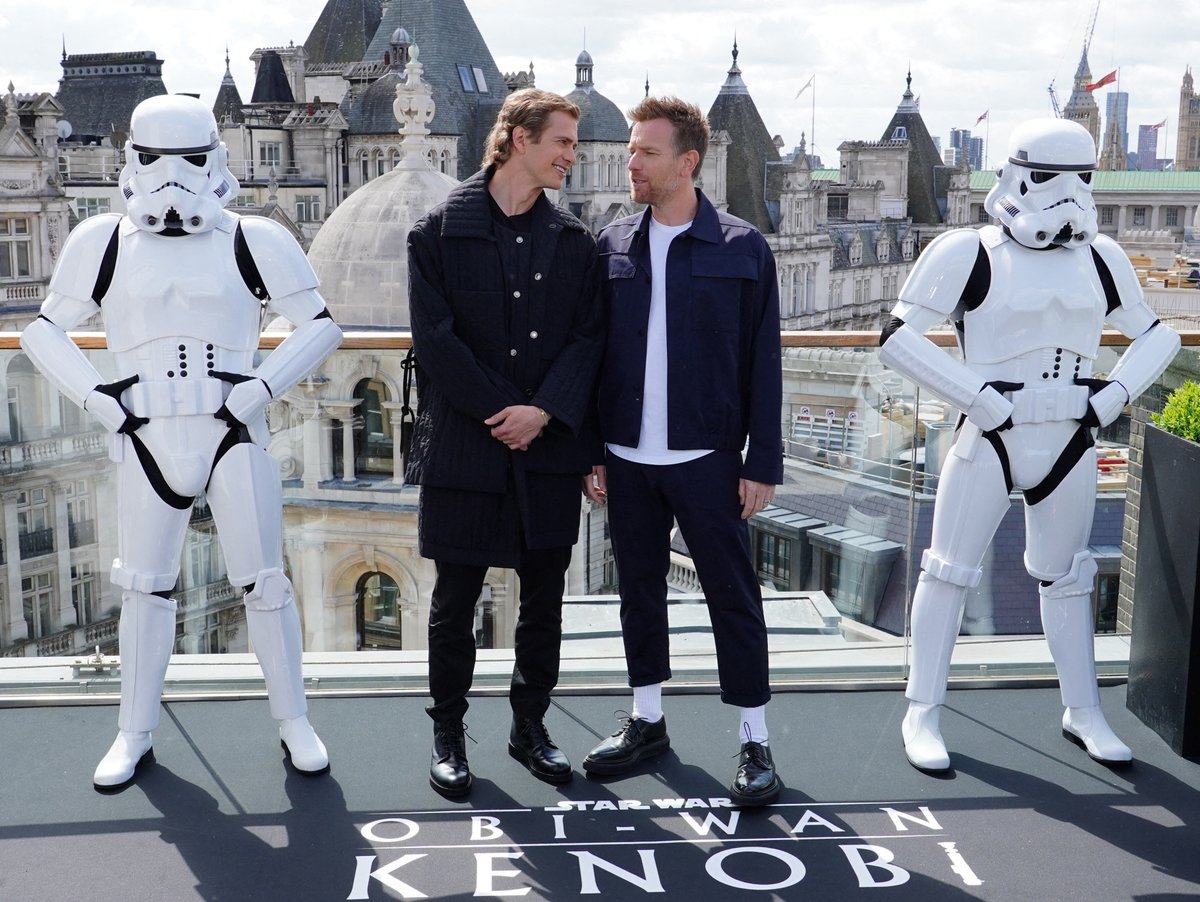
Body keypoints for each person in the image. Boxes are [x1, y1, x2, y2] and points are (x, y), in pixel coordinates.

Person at [20, 94, 343, 790]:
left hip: (232, 429)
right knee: (145, 588)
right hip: (144, 435)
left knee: (264, 583)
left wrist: (260, 387)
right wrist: (99, 400)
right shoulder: (99, 241)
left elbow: (319, 324)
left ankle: (294, 721)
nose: (172, 176)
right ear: (130, 158)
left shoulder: (253, 238)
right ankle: (133, 732)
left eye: (190, 158)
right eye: (154, 158)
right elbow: (41, 331)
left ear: (217, 159)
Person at [878, 118, 1180, 773]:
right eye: (1048, 175)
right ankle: (923, 708)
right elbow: (897, 337)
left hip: (1070, 432)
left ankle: (1083, 709)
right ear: (1016, 173)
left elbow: (1160, 336)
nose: (1067, 192)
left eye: (1082, 177)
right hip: (991, 432)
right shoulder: (968, 252)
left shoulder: (1103, 258)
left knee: (1067, 576)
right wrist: (978, 399)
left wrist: (1111, 397)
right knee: (948, 570)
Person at [581, 97, 784, 806]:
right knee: (637, 593)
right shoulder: (609, 244)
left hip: (708, 458)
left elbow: (765, 361)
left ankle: (754, 739)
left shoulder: (742, 247)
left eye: (645, 152)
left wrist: (763, 462)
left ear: (687, 162)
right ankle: (646, 721)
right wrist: (592, 452)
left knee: (734, 596)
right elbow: (593, 358)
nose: (630, 161)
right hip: (627, 457)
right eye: (632, 150)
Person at [406, 88, 603, 798]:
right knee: (453, 602)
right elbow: (436, 343)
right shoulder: (434, 234)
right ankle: (449, 736)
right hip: (466, 445)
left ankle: (530, 728)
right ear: (519, 139)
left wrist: (543, 412)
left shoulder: (576, 243)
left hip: (546, 449)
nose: (571, 158)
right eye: (563, 143)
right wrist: (507, 412)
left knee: (544, 600)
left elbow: (590, 341)